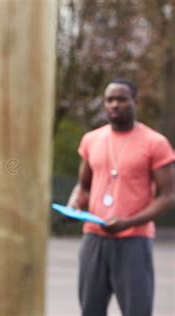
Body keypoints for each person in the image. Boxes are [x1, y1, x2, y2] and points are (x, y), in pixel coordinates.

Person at [67, 79, 175, 316]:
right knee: (90, 310)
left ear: (135, 102)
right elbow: (83, 186)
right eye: (110, 100)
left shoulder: (155, 143)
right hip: (94, 239)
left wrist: (129, 222)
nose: (115, 104)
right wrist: (74, 203)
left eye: (122, 99)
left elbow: (168, 197)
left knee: (137, 310)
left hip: (134, 241)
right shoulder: (91, 140)